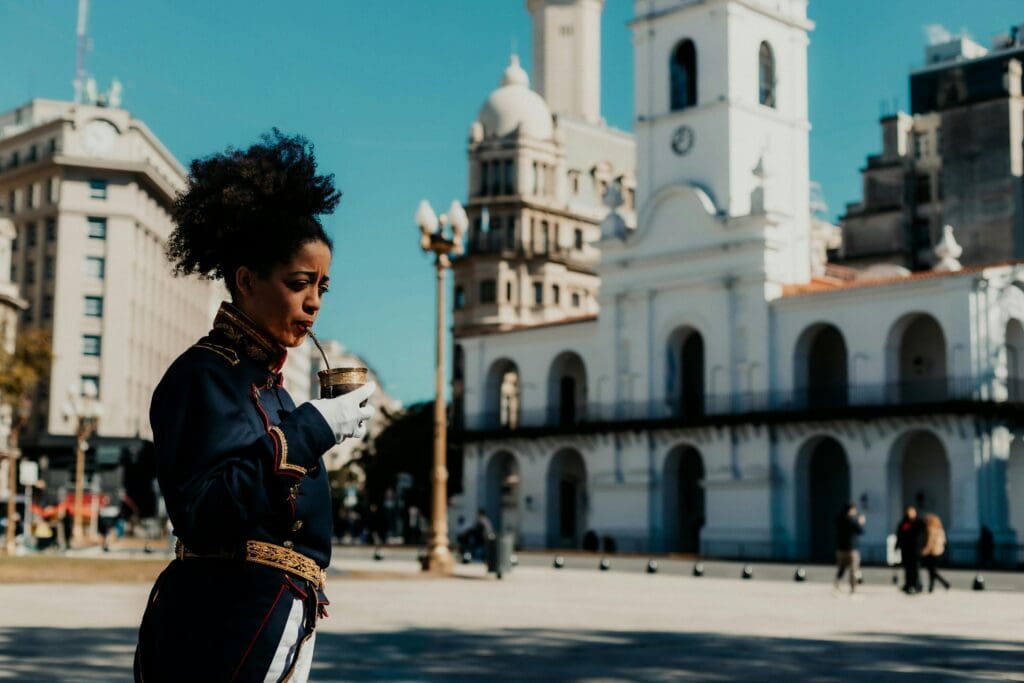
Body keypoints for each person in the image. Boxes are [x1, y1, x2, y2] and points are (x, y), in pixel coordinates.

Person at [133, 131, 376, 682]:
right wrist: (313, 427)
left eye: (323, 287)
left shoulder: (271, 386)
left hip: (272, 611)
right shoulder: (203, 374)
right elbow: (204, 511)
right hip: (222, 622)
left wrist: (315, 424)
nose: (314, 302)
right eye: (299, 283)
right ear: (247, 280)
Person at [833, 502, 865, 593]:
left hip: (840, 549)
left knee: (841, 568)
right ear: (851, 509)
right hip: (851, 549)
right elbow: (860, 531)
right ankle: (853, 588)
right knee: (853, 569)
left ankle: (837, 584)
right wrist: (860, 522)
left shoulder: (839, 519)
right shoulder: (851, 520)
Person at [895, 505, 925, 594]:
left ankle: (917, 585)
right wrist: (897, 546)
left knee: (915, 569)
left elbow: (922, 536)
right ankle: (908, 585)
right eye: (908, 512)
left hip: (915, 549)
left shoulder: (919, 523)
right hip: (906, 549)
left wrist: (923, 546)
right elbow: (899, 535)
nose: (910, 514)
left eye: (912, 512)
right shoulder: (903, 523)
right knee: (907, 569)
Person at [921, 514, 950, 592]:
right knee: (932, 570)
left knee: (932, 570)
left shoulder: (931, 529)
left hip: (932, 552)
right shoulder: (940, 530)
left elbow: (930, 542)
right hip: (939, 552)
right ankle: (932, 587)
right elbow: (944, 541)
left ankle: (943, 583)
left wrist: (925, 550)